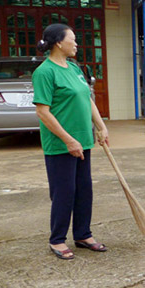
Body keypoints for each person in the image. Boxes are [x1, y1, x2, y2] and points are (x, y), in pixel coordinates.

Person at [32, 23, 109, 260]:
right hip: (60, 144)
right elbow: (43, 111)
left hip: (83, 139)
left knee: (84, 190)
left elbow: (87, 99)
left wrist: (101, 126)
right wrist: (68, 140)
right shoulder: (45, 72)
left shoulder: (74, 67)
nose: (76, 43)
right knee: (64, 192)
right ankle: (57, 239)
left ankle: (83, 235)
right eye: (72, 39)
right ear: (58, 43)